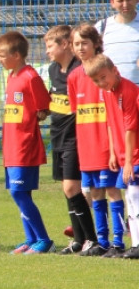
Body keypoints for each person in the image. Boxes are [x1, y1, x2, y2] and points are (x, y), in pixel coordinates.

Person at [0, 32, 54, 254]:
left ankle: (44, 239)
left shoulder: (31, 77)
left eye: (1, 55)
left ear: (16, 55)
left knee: (18, 193)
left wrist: (39, 115)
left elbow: (44, 108)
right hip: (11, 145)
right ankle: (31, 239)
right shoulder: (12, 77)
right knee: (19, 192)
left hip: (24, 145)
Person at [44, 26, 98, 254]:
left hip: (74, 138)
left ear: (65, 44)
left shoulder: (81, 70)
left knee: (72, 187)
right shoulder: (53, 69)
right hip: (57, 135)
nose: (47, 51)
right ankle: (78, 240)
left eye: (50, 46)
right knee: (67, 190)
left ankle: (91, 239)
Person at [69, 23, 121, 256]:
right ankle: (101, 241)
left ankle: (118, 241)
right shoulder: (73, 77)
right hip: (87, 146)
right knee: (95, 193)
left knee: (112, 191)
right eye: (76, 44)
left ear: (96, 44)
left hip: (106, 145)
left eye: (84, 43)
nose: (80, 48)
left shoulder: (105, 71)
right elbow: (77, 113)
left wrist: (113, 148)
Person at [83, 54, 139, 259]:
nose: (100, 83)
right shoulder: (108, 93)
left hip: (135, 153)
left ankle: (136, 243)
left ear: (115, 70)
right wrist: (114, 153)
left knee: (134, 195)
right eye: (96, 80)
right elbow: (110, 122)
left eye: (103, 77)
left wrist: (130, 161)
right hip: (123, 154)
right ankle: (134, 244)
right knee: (130, 197)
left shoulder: (129, 90)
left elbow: (131, 128)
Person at [97, 0, 139, 84]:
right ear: (112, 2)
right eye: (120, 1)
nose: (125, 4)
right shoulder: (102, 27)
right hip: (112, 95)